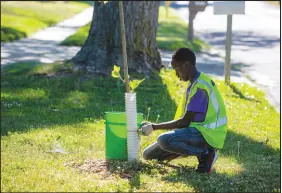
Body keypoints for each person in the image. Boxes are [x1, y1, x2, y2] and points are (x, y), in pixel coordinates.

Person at [138, 47, 228, 175]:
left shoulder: (200, 87)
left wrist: (154, 126)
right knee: (148, 155)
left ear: (187, 64)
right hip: (193, 133)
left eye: (177, 69)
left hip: (207, 135)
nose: (176, 74)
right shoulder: (194, 84)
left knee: (164, 140)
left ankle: (206, 154)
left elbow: (184, 122)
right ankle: (189, 150)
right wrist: (153, 126)